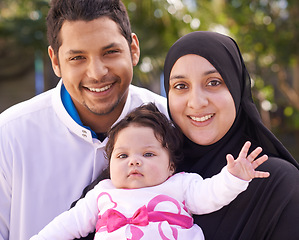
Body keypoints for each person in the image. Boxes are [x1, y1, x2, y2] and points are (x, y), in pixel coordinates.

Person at [0, 1, 168, 239]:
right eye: (78, 57)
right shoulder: (9, 137)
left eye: (110, 52)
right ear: (56, 61)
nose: (97, 73)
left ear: (133, 49)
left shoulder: (171, 123)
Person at [30, 103, 269, 240]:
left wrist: (233, 177)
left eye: (148, 154)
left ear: (171, 165)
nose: (134, 162)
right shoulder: (102, 193)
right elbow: (67, 224)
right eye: (123, 155)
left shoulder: (180, 185)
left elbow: (210, 195)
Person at [163, 31, 299, 240]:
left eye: (214, 82)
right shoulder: (144, 166)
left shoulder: (278, 185)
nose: (197, 102)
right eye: (181, 86)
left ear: (236, 88)